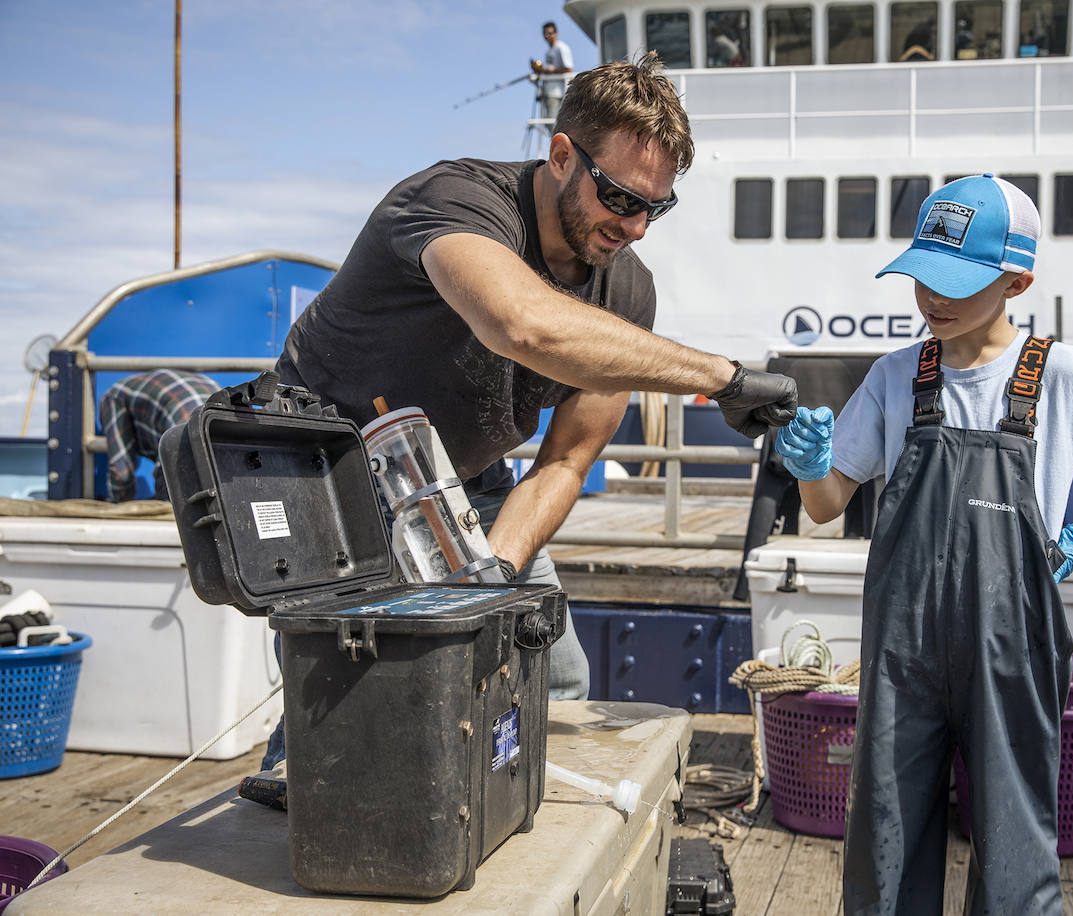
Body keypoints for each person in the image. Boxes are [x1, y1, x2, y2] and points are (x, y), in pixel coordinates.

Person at [263, 54, 797, 769]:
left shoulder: (626, 293)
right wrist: (724, 379)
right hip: (332, 482)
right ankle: (295, 812)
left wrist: (494, 574)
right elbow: (523, 324)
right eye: (620, 198)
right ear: (561, 155)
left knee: (556, 671)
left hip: (461, 486)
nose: (637, 228)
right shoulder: (452, 200)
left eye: (656, 207)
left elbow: (568, 459)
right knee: (345, 703)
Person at [773, 174, 1073, 915]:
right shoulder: (896, 376)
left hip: (1012, 648)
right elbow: (827, 503)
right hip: (903, 652)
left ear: (1016, 280)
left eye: (955, 284)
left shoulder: (1062, 374)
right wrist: (807, 468)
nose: (932, 300)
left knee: (1012, 846)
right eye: (922, 279)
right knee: (886, 834)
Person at [98, 368, 219, 502]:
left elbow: (122, 473)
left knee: (167, 510)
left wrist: (120, 504)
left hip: (183, 447)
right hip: (227, 448)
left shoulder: (113, 398)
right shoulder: (173, 381)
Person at [532, 21, 574, 134]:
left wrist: (549, 70)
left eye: (549, 33)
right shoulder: (548, 51)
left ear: (556, 33)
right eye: (545, 33)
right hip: (549, 91)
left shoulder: (561, 48)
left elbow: (569, 69)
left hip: (559, 92)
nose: (547, 36)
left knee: (553, 122)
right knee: (550, 122)